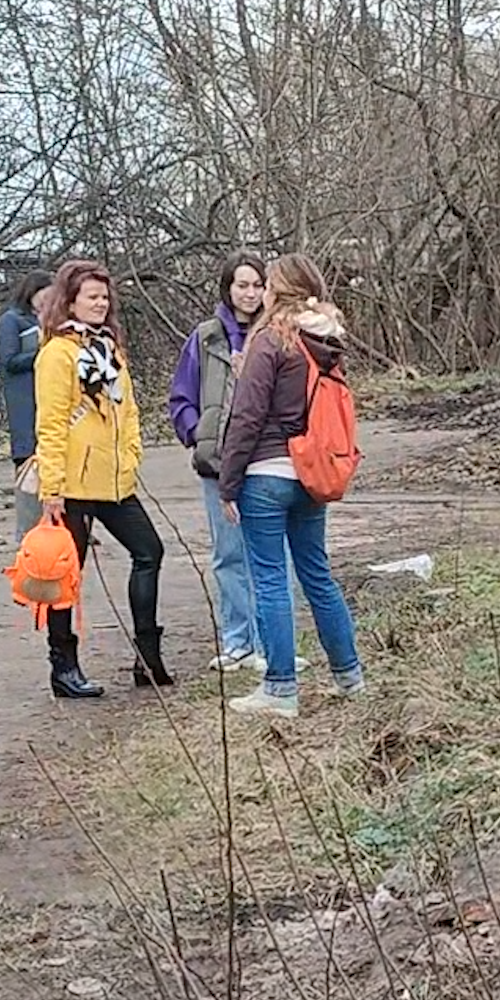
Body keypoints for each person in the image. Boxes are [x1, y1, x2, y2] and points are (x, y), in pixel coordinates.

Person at [216, 252, 365, 719]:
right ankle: (349, 674)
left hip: (266, 474)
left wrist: (228, 482)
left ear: (277, 290)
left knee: (270, 579)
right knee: (317, 574)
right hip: (311, 473)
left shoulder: (271, 340)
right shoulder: (326, 342)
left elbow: (247, 416)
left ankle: (280, 688)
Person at [33, 259, 175, 699]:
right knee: (64, 575)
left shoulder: (110, 348)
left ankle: (147, 657)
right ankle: (64, 666)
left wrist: (131, 455)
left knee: (149, 550)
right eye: (91, 296)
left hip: (114, 481)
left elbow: (127, 409)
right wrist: (51, 488)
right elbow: (51, 423)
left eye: (104, 296)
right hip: (72, 485)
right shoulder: (57, 354)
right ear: (70, 300)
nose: (100, 303)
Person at [168, 251, 303, 676]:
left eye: (257, 285)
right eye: (241, 285)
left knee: (270, 555)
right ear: (228, 289)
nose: (249, 293)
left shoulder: (281, 334)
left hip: (267, 461)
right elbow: (181, 396)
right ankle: (237, 641)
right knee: (228, 554)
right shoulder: (206, 337)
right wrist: (198, 435)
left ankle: (274, 643)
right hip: (219, 461)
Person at [0, 270, 54, 539]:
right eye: (46, 295)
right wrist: (46, 351)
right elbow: (8, 362)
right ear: (32, 291)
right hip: (25, 402)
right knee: (29, 468)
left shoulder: (53, 320)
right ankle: (30, 531)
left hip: (51, 400)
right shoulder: (12, 320)